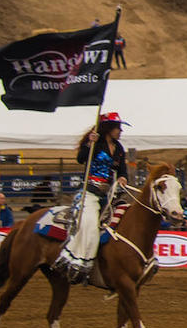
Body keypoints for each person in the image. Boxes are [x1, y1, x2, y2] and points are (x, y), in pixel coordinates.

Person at [55, 112, 132, 282]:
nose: (120, 131)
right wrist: (90, 143)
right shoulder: (96, 143)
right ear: (108, 128)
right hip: (89, 191)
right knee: (89, 225)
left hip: (107, 195)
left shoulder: (118, 148)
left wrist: (123, 177)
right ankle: (78, 262)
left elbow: (122, 170)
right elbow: (81, 159)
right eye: (117, 128)